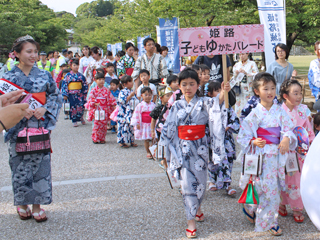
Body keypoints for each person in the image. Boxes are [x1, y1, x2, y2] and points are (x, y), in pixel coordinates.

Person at [159, 68, 230, 238]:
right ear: (179, 86)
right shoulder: (176, 105)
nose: (188, 87)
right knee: (186, 185)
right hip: (181, 149)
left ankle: (197, 207)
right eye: (184, 84)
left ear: (198, 85)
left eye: (192, 84)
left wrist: (224, 92)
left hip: (200, 149)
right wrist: (164, 154)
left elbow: (216, 105)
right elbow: (167, 129)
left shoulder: (205, 102)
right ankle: (190, 220)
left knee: (200, 183)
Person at [2, 35, 62, 222]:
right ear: (17, 54)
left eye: (35, 51)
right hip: (17, 128)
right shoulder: (7, 77)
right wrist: (17, 111)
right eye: (29, 51)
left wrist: (44, 108)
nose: (34, 55)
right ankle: (21, 203)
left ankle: (37, 205)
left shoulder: (44, 75)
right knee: (19, 165)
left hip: (38, 124)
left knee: (40, 165)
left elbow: (55, 95)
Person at [237, 72, 297, 236]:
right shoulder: (255, 113)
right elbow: (243, 135)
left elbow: (289, 129)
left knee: (272, 189)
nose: (270, 92)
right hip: (261, 156)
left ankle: (269, 220)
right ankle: (263, 217)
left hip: (276, 155)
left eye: (272, 88)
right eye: (265, 89)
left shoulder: (280, 111)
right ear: (257, 91)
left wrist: (286, 138)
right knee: (262, 188)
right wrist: (253, 141)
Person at [278, 79, 315, 223]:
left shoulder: (302, 110)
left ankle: (297, 208)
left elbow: (308, 130)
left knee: (297, 180)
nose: (299, 96)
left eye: (300, 93)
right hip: (285, 151)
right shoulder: (279, 111)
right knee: (284, 179)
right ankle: (282, 203)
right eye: (295, 93)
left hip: (300, 151)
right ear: (285, 96)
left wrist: (311, 142)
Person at [204, 82, 240, 195]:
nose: (221, 93)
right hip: (213, 139)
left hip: (226, 140)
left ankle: (227, 184)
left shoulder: (227, 107)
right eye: (217, 91)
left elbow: (235, 121)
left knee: (227, 161)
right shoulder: (207, 108)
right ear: (210, 94)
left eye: (221, 91)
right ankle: (212, 181)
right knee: (212, 161)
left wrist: (228, 127)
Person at [86, 72, 116, 143]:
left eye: (103, 79)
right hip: (97, 108)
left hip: (104, 108)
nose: (101, 81)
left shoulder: (106, 90)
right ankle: (95, 138)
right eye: (99, 79)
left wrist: (114, 105)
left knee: (103, 124)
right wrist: (94, 103)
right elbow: (91, 99)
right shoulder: (93, 90)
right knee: (96, 124)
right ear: (95, 80)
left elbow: (110, 98)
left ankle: (102, 138)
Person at [131, 87, 156, 159]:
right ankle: (148, 151)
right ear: (141, 95)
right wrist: (137, 123)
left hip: (151, 124)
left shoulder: (153, 105)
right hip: (144, 124)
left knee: (154, 138)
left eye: (149, 95)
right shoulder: (140, 105)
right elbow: (136, 114)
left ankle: (152, 150)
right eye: (146, 95)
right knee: (146, 139)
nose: (148, 97)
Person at [62, 59, 88, 127]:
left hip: (80, 94)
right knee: (73, 107)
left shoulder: (81, 76)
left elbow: (84, 84)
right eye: (74, 65)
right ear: (71, 66)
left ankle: (81, 117)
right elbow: (64, 84)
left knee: (81, 106)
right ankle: (74, 120)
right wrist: (65, 94)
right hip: (71, 94)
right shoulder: (67, 75)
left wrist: (85, 92)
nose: (76, 67)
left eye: (77, 65)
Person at [117, 75, 138, 148]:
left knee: (131, 127)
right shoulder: (122, 91)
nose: (131, 83)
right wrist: (129, 96)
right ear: (125, 84)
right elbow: (121, 101)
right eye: (129, 81)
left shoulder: (131, 91)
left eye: (131, 81)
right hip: (124, 112)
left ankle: (131, 140)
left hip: (131, 111)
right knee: (123, 127)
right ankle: (122, 142)